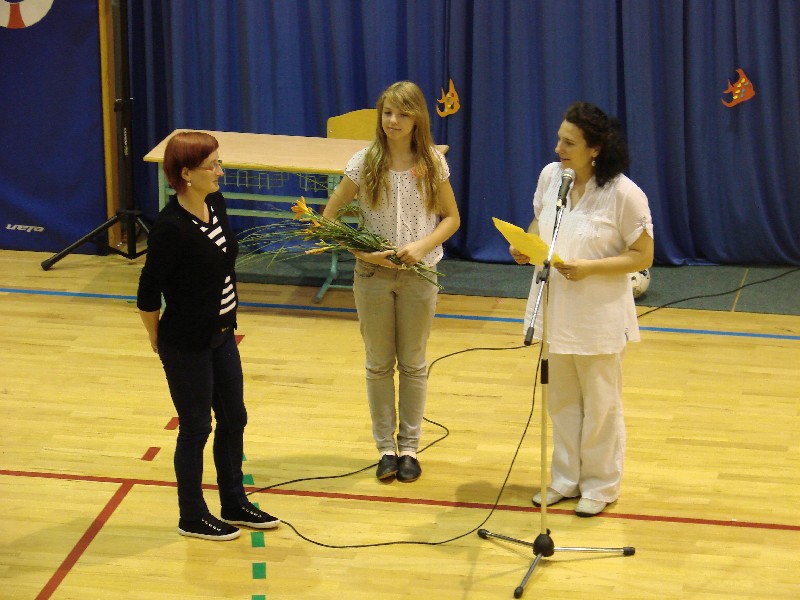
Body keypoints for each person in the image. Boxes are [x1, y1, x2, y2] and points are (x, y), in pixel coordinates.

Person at [509, 102, 654, 517]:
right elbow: (539, 223)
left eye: (569, 143)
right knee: (561, 400)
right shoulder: (551, 177)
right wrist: (526, 246)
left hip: (598, 315)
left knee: (601, 404)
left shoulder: (624, 194)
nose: (559, 149)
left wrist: (590, 268)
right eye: (559, 139)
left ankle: (601, 485)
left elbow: (643, 255)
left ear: (595, 148)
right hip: (555, 309)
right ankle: (564, 478)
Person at [137, 131, 280, 540]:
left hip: (222, 334)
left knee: (234, 417)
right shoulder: (170, 228)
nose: (220, 171)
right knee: (197, 427)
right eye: (212, 165)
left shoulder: (214, 203)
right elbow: (147, 293)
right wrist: (158, 339)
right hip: (186, 342)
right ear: (186, 173)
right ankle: (192, 515)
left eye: (219, 162)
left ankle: (233, 501)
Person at [322, 81, 460, 483]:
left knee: (413, 363)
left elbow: (451, 218)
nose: (393, 121)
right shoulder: (364, 162)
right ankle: (385, 448)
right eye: (387, 113)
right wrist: (363, 253)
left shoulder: (432, 162)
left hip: (419, 274)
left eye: (402, 113)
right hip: (373, 277)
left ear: (418, 118)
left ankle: (410, 448)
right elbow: (328, 220)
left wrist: (422, 245)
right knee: (379, 363)